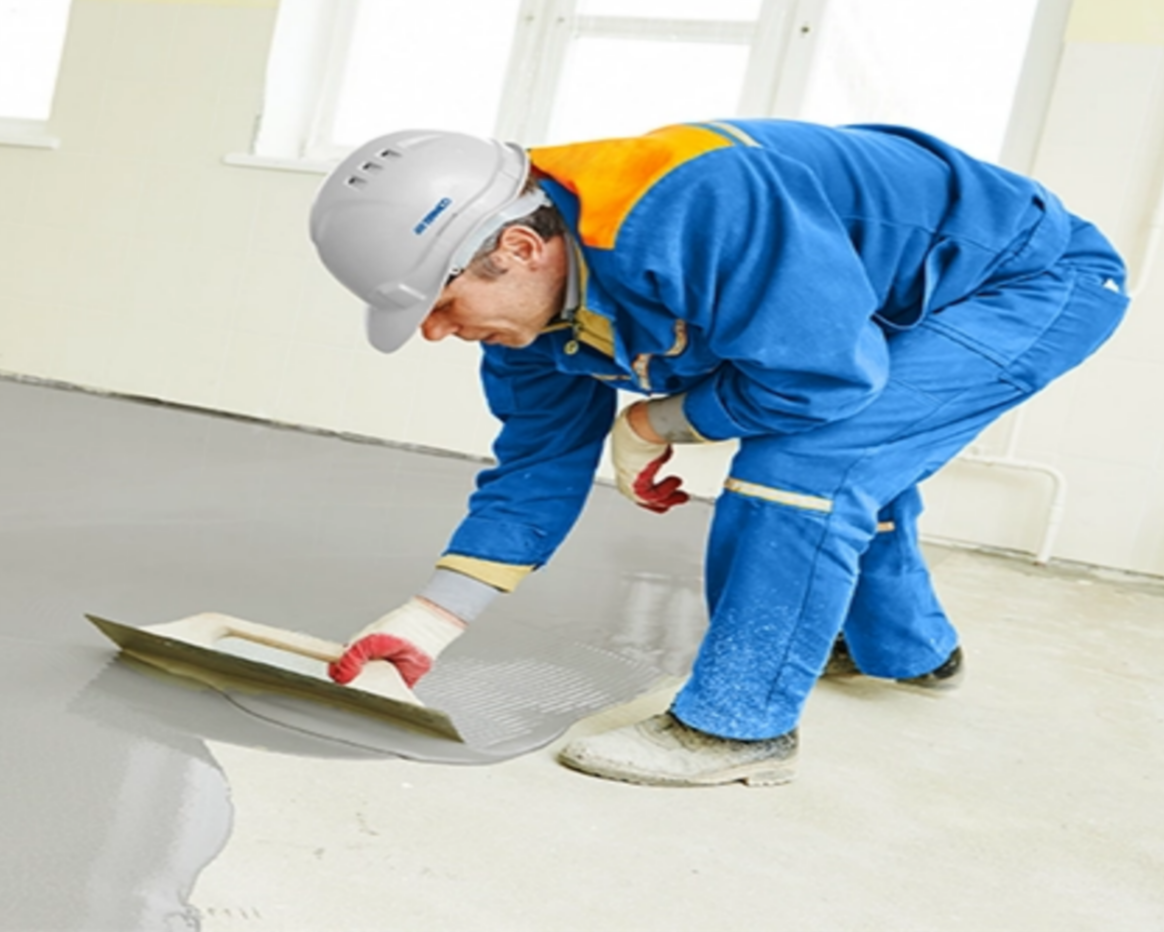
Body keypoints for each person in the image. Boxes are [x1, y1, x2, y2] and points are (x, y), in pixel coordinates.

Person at [308, 120, 1128, 787]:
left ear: (520, 248)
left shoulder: (695, 208)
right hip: (904, 296)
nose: (436, 331)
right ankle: (906, 649)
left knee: (805, 465)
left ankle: (737, 727)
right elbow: (536, 465)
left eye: (446, 303)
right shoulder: (528, 323)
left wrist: (656, 422)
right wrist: (432, 617)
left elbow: (824, 380)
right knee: (853, 455)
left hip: (1028, 280)